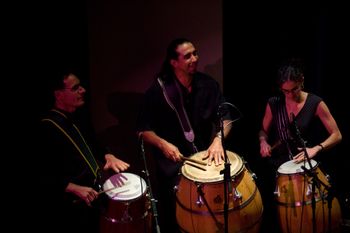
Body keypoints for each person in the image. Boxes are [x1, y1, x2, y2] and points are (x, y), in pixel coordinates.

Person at [136, 38, 233, 233]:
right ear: (174, 62)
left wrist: (218, 140)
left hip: (205, 160)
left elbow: (227, 118)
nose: (195, 58)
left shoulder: (208, 85)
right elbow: (142, 130)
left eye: (195, 53)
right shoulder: (159, 91)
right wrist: (163, 144)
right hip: (173, 167)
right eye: (187, 56)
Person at [34, 69, 130, 233]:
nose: (83, 90)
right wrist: (73, 187)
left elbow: (93, 144)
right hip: (70, 206)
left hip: (91, 196)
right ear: (58, 94)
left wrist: (108, 155)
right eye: (76, 87)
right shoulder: (47, 126)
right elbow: (42, 174)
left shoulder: (78, 117)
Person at [258, 59, 342, 232]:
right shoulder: (274, 103)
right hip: (280, 168)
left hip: (308, 166)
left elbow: (337, 135)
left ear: (302, 80)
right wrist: (263, 142)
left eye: (294, 89)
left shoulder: (315, 103)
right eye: (285, 91)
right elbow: (263, 131)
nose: (290, 95)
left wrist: (316, 148)